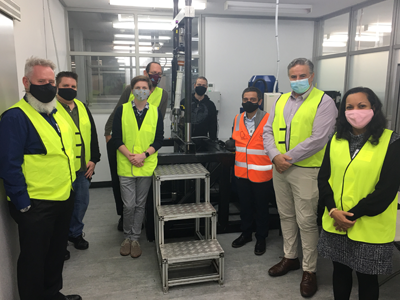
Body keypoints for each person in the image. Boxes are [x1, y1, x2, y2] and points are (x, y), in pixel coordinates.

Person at [0, 57, 81, 300]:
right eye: (41, 81)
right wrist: (22, 202)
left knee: (56, 254)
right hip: (36, 204)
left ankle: (52, 294)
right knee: (34, 260)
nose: (48, 86)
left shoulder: (54, 113)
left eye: (50, 82)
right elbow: (8, 164)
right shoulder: (15, 117)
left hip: (62, 197)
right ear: (26, 82)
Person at [263, 58, 337, 298]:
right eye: (293, 77)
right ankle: (290, 257)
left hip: (306, 170)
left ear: (312, 76)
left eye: (301, 76)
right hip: (280, 168)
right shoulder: (281, 99)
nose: (297, 81)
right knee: (286, 215)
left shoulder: (324, 102)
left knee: (306, 220)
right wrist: (275, 156)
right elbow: (267, 131)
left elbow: (319, 138)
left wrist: (287, 159)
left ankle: (310, 270)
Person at [318, 87, 400, 300]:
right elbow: (324, 178)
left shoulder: (392, 142)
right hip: (336, 222)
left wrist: (349, 217)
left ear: (374, 108)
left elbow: (386, 190)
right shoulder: (335, 139)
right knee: (340, 273)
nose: (355, 111)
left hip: (369, 227)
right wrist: (333, 210)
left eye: (361, 106)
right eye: (349, 107)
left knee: (367, 280)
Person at [105, 61, 168, 231]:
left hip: (145, 152)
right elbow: (118, 112)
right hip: (123, 147)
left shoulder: (163, 94)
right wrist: (108, 134)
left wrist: (144, 154)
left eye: (159, 73)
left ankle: (139, 224)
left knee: (141, 197)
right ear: (146, 72)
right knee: (122, 190)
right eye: (153, 72)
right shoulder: (129, 90)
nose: (156, 75)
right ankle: (124, 217)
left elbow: (158, 123)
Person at [112, 75, 164, 258]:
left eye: (145, 87)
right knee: (128, 205)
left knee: (140, 204)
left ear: (150, 91)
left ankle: (135, 239)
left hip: (146, 164)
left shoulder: (156, 112)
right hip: (126, 164)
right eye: (138, 87)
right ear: (132, 90)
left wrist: (143, 155)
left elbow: (159, 140)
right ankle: (126, 236)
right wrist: (131, 156)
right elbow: (116, 138)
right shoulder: (122, 110)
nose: (141, 90)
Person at [55, 71, 101, 255]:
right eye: (65, 86)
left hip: (83, 168)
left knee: (81, 204)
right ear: (57, 86)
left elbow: (92, 135)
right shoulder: (51, 108)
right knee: (62, 208)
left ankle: (75, 234)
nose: (70, 89)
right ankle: (60, 242)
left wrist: (94, 159)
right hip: (62, 170)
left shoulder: (82, 106)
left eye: (73, 86)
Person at [231, 87, 273, 256]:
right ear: (242, 101)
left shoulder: (269, 119)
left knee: (262, 207)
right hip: (241, 173)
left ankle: (261, 237)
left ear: (260, 101)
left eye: (253, 100)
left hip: (262, 172)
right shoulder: (237, 118)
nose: (249, 102)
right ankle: (246, 234)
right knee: (245, 206)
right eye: (246, 99)